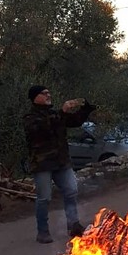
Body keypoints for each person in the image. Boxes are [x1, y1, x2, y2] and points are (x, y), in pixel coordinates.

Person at [23, 85, 96, 243]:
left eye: (49, 92)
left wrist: (86, 109)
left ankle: (73, 225)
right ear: (35, 97)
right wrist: (62, 112)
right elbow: (42, 128)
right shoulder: (30, 117)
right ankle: (42, 232)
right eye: (44, 93)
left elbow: (74, 121)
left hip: (61, 162)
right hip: (42, 164)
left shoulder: (54, 114)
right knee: (44, 198)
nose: (49, 95)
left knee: (71, 190)